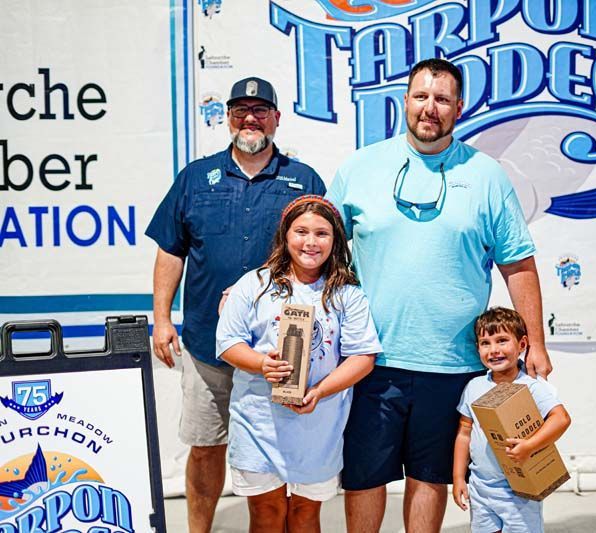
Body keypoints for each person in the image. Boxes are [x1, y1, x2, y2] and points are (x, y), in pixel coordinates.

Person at [327, 58, 553, 533]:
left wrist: (538, 344)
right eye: (422, 96)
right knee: (364, 478)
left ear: (459, 107)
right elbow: (316, 249)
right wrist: (261, 290)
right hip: (371, 359)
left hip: (453, 364)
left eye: (443, 99)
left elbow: (518, 263)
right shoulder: (359, 168)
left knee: (430, 477)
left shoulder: (487, 174)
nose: (431, 108)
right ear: (405, 101)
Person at [146, 77, 326, 532]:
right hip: (208, 343)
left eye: (260, 109)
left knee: (274, 449)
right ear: (227, 117)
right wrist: (163, 318)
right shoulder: (195, 177)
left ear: (276, 119)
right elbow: (171, 249)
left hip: (280, 351)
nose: (250, 118)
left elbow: (319, 252)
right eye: (241, 109)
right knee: (206, 447)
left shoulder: (303, 180)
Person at [216, 195, 381, 533]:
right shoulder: (255, 284)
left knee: (306, 514)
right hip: (259, 422)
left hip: (318, 425)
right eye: (301, 231)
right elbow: (228, 343)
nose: (310, 242)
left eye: (322, 234)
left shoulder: (347, 294)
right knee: (266, 512)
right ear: (285, 235)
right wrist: (263, 363)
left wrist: (320, 390)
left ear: (336, 240)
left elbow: (363, 357)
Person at [453, 307, 570, 533]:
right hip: (481, 488)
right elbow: (464, 433)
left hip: (519, 491)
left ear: (522, 345)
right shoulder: (474, 387)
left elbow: (561, 419)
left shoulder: (531, 387)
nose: (494, 350)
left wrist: (529, 446)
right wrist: (459, 477)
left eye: (502, 340)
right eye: (485, 343)